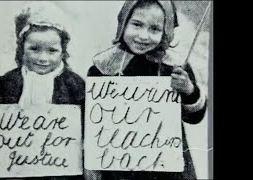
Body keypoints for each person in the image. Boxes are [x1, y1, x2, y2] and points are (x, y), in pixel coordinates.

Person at [86, 0, 207, 179]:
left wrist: (189, 90)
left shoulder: (174, 67)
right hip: (119, 164)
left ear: (166, 31)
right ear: (123, 23)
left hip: (166, 164)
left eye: (154, 29)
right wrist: (91, 161)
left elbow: (195, 116)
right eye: (137, 25)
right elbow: (92, 121)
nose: (143, 36)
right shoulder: (103, 67)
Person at [0, 3, 85, 180]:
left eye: (52, 51)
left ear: (63, 52)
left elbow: (87, 126)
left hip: (60, 169)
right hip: (17, 167)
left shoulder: (75, 85)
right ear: (21, 49)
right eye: (34, 49)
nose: (43, 58)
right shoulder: (6, 84)